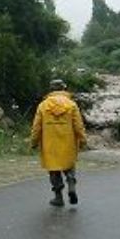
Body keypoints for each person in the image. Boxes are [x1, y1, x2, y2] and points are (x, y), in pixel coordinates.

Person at [30, 79, 87, 207]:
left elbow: (37, 127)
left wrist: (34, 141)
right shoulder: (71, 105)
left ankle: (58, 197)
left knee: (54, 170)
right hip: (68, 142)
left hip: (49, 144)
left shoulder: (43, 106)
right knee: (69, 165)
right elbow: (78, 126)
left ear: (51, 90)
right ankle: (71, 184)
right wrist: (83, 140)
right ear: (64, 89)